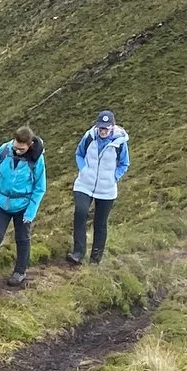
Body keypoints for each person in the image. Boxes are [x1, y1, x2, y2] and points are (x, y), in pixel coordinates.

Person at [0, 125, 46, 287]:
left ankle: (20, 272)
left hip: (23, 205)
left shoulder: (37, 160)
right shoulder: (5, 150)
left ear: (30, 145)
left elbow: (40, 188)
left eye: (21, 149)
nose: (17, 151)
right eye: (15, 147)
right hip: (1, 201)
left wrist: (30, 213)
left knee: (22, 238)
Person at [68, 110, 129, 265]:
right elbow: (79, 154)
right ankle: (78, 253)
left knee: (100, 223)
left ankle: (95, 259)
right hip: (84, 185)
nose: (103, 131)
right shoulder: (89, 137)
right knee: (80, 213)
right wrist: (84, 170)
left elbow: (124, 163)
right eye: (101, 127)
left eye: (106, 128)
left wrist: (114, 177)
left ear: (112, 127)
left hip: (106, 189)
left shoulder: (120, 143)